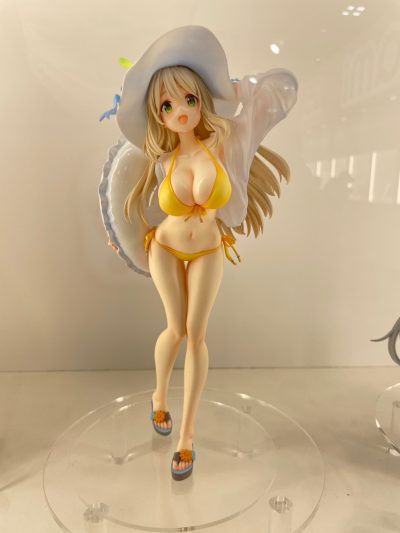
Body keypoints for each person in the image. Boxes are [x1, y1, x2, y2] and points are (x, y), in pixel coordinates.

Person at [99, 25, 298, 481]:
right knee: (175, 329)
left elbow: (277, 91)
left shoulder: (224, 143)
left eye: (188, 99)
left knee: (197, 335)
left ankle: (186, 437)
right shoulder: (162, 159)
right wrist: (119, 236)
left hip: (209, 248)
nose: (180, 111)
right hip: (165, 247)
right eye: (167, 106)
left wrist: (237, 90)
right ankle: (159, 397)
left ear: (202, 99)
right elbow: (130, 198)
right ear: (158, 115)